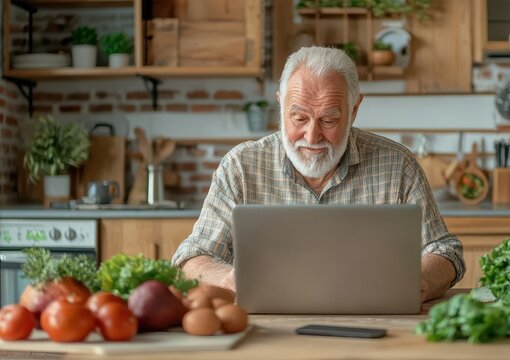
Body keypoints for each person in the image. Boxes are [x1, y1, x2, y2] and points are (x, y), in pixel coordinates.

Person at [172, 46, 465, 302]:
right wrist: (228, 278)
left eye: (329, 119)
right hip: (266, 329)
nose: (312, 136)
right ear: (280, 103)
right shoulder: (240, 166)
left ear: (354, 110)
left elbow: (445, 251)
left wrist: (419, 281)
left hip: (375, 325)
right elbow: (190, 258)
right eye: (299, 118)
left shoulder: (398, 165)